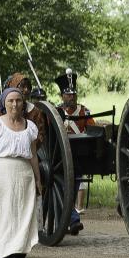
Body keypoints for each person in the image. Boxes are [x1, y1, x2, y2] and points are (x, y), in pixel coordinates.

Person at [0, 87, 43, 258]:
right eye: (10, 101)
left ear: (23, 103)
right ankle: (3, 255)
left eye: (18, 100)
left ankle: (20, 257)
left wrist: (38, 179)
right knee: (5, 215)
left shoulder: (30, 127)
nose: (15, 104)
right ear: (3, 104)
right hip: (1, 174)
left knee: (23, 215)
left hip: (24, 175)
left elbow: (33, 156)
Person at [55, 69, 92, 225]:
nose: (72, 97)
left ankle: (67, 219)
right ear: (62, 96)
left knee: (73, 187)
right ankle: (72, 219)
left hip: (78, 155)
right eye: (68, 94)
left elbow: (91, 129)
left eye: (73, 94)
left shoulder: (83, 111)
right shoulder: (56, 112)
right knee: (63, 188)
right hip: (59, 157)